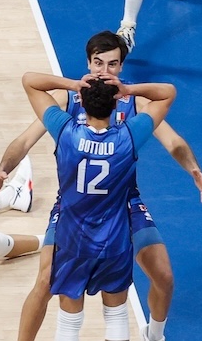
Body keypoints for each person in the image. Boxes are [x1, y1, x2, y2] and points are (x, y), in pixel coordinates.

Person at [0, 31, 202, 341]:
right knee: (44, 282)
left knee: (164, 276)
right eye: (98, 63)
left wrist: (193, 168)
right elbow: (24, 141)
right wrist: (4, 167)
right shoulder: (69, 100)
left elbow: (173, 142)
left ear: (121, 67)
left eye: (112, 64)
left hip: (125, 202)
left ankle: (155, 335)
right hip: (73, 204)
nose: (104, 71)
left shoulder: (132, 103)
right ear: (88, 63)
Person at [20, 69, 176, 341]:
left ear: (80, 100)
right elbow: (167, 93)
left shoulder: (65, 131)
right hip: (114, 241)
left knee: (69, 323)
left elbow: (30, 81)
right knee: (116, 316)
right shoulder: (128, 137)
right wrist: (128, 89)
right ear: (117, 104)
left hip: (72, 240)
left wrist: (72, 84)